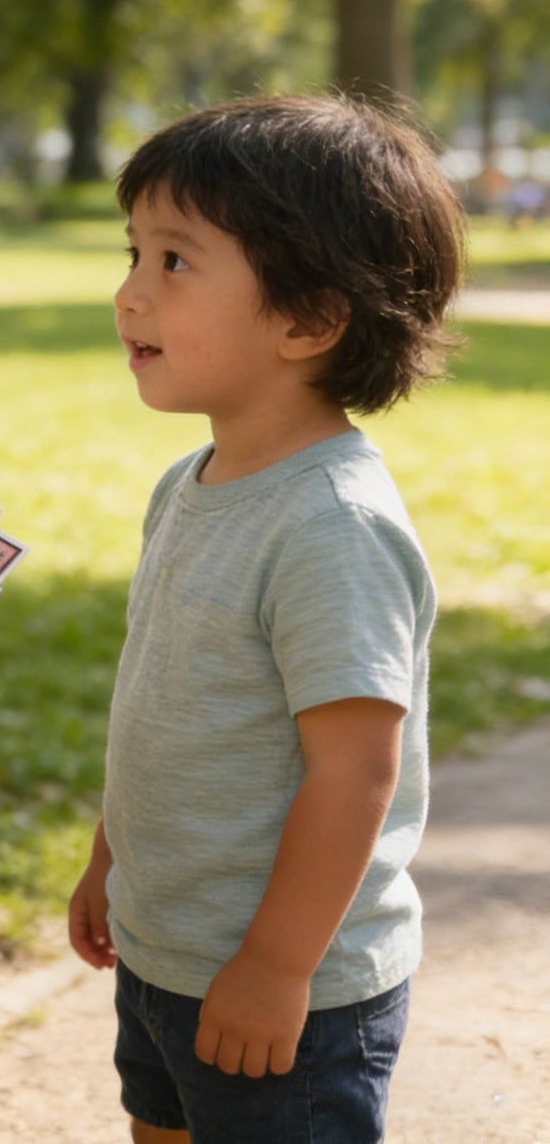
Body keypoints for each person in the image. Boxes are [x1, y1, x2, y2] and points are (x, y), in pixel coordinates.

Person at [67, 94, 464, 1144]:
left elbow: (353, 771)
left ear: (308, 319)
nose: (127, 294)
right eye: (133, 253)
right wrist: (112, 856)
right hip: (168, 949)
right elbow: (165, 699)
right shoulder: (187, 482)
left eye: (174, 262)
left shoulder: (331, 525)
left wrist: (275, 965)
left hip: (289, 985)